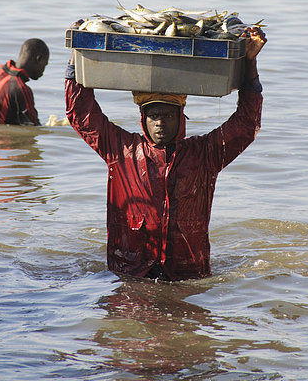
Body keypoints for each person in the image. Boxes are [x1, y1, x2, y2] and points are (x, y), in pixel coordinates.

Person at [65, 26, 266, 281]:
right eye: (154, 116)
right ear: (143, 119)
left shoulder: (204, 155)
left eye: (169, 116)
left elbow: (247, 125)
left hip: (187, 272)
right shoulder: (122, 151)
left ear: (181, 118)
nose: (161, 123)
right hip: (130, 270)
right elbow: (81, 115)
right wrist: (76, 57)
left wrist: (250, 62)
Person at [0, 38, 49, 125]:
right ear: (38, 59)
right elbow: (33, 127)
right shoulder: (20, 89)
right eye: (45, 64)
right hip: (0, 136)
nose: (43, 70)